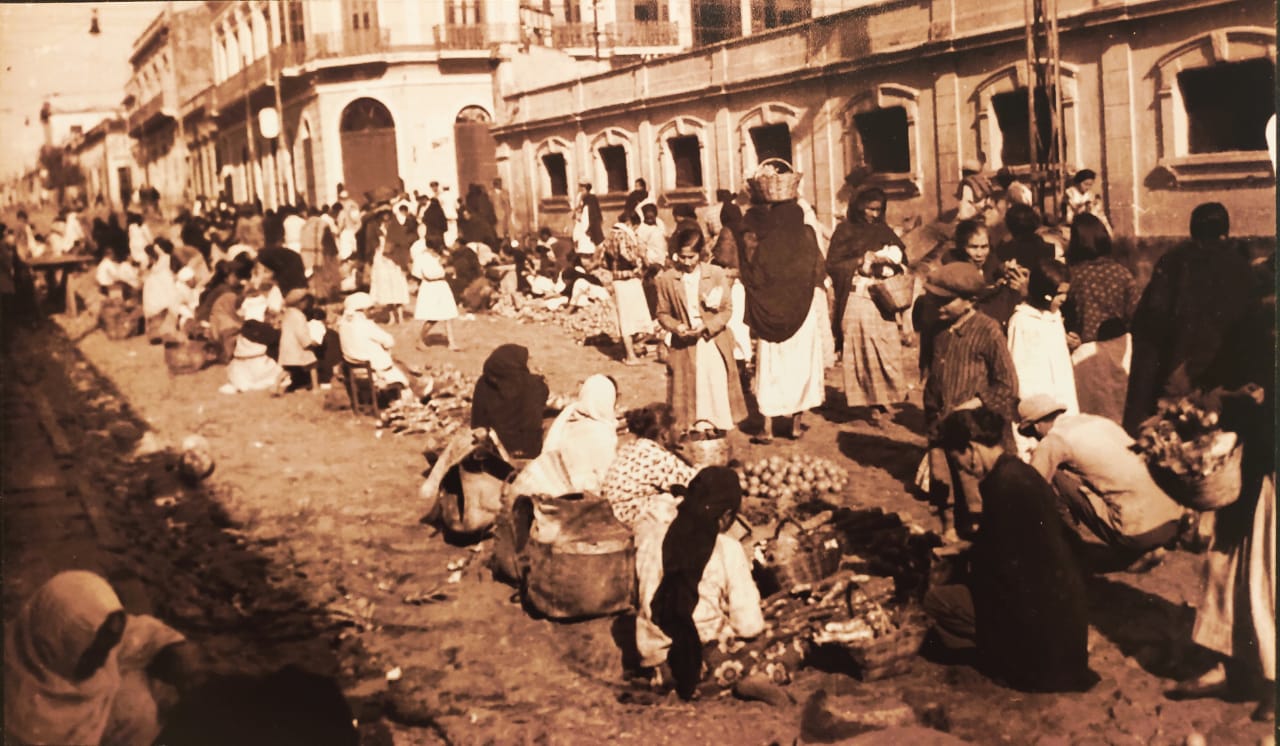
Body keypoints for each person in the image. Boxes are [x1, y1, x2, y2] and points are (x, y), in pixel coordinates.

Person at [923, 407, 1098, 693]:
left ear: (972, 450)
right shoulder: (1021, 473)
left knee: (938, 601)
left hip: (1038, 637)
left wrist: (964, 563)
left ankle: (1007, 656)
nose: (963, 470)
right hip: (1065, 616)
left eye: (959, 462)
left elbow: (1001, 570)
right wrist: (969, 548)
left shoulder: (1001, 485)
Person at [4, 571, 200, 746]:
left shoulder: (88, 637)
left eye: (109, 647)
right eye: (93, 653)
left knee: (139, 705)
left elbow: (133, 633)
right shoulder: (24, 712)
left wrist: (176, 650)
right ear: (54, 644)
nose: (102, 662)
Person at [634, 466, 766, 701]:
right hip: (700, 663)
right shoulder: (727, 548)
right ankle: (747, 681)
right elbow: (749, 626)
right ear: (726, 516)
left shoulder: (651, 538)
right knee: (787, 639)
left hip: (656, 662)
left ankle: (665, 680)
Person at [1123, 202, 1254, 434]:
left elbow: (1151, 318)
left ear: (1193, 229)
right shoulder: (1240, 265)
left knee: (1176, 433)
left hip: (1180, 365)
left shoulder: (1173, 261)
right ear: (1225, 230)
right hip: (1227, 367)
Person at [1018, 393, 1186, 562]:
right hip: (1173, 517)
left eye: (1031, 433)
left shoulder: (1053, 441)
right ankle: (1153, 546)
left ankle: (1069, 548)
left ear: (1037, 426)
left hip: (1135, 533)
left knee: (1054, 477)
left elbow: (1029, 491)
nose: (1035, 438)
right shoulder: (1099, 421)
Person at [920, 262, 1019, 538]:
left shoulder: (988, 331)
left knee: (976, 496)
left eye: (946, 301)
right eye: (934, 299)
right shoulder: (937, 328)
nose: (938, 306)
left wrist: (972, 405)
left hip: (973, 433)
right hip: (941, 426)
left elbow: (1007, 385)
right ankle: (948, 534)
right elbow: (931, 371)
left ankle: (979, 538)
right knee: (943, 488)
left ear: (969, 301)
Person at [739, 201, 827, 443]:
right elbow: (819, 271)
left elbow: (754, 278)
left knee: (771, 369)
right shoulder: (807, 238)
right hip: (803, 314)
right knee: (801, 367)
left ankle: (767, 428)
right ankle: (795, 426)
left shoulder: (767, 242)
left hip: (771, 316)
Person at [826, 187, 910, 421]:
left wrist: (890, 263)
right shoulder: (844, 231)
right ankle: (872, 402)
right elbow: (832, 264)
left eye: (878, 210)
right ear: (858, 207)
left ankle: (885, 397)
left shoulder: (884, 231)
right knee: (863, 351)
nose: (874, 214)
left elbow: (903, 259)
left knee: (886, 348)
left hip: (883, 298)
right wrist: (860, 260)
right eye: (870, 209)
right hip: (857, 299)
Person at [654, 227, 747, 432]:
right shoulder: (667, 279)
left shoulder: (715, 274)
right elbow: (662, 313)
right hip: (685, 341)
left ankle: (717, 424)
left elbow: (726, 309)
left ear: (701, 253)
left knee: (713, 382)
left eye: (692, 257)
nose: (687, 262)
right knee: (689, 384)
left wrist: (708, 326)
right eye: (683, 257)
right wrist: (676, 326)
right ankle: (694, 426)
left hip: (711, 339)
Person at [1007, 258, 1079, 458]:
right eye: (1059, 293)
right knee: (1037, 455)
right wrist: (1033, 410)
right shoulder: (1022, 321)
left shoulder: (1055, 318)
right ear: (1044, 292)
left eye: (1066, 293)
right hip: (1038, 405)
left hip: (1061, 396)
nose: (1064, 298)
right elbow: (1017, 367)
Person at [515, 374, 619, 496]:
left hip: (544, 484)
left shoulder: (567, 417)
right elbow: (608, 478)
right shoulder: (601, 433)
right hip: (571, 494)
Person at [600, 403, 697, 529]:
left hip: (613, 512)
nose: (683, 430)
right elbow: (697, 482)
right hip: (631, 517)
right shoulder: (657, 457)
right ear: (664, 434)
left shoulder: (631, 447)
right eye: (678, 425)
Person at [1062, 212, 1135, 347]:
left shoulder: (1073, 275)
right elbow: (1134, 314)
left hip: (1082, 348)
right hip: (1117, 348)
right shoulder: (1122, 274)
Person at [470, 344, 550, 460]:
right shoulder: (534, 385)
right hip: (529, 450)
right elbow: (537, 414)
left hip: (493, 449)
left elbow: (477, 422)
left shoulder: (484, 382)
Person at [336, 291, 413, 396]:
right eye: (370, 309)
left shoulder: (342, 324)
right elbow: (389, 341)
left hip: (353, 368)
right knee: (404, 374)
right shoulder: (365, 325)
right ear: (360, 310)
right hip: (375, 371)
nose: (372, 312)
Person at [602, 213, 654, 365]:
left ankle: (627, 351)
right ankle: (631, 355)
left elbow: (604, 261)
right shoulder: (623, 234)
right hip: (629, 280)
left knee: (625, 318)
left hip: (618, 280)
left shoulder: (609, 234)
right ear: (631, 223)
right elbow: (627, 255)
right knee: (632, 319)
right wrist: (640, 259)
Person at [410, 226, 461, 350]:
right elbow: (424, 274)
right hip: (430, 287)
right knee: (433, 317)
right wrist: (443, 270)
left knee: (448, 314)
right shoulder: (423, 258)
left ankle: (451, 342)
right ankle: (420, 339)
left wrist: (445, 266)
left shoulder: (439, 256)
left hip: (442, 285)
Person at [368, 209, 410, 324]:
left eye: (387, 214)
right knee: (386, 288)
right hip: (381, 260)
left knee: (397, 286)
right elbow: (372, 242)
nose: (385, 216)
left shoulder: (395, 227)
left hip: (394, 260)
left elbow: (402, 243)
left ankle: (400, 316)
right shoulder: (376, 228)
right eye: (382, 214)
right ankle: (391, 316)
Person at [573, 181, 604, 254]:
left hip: (589, 226)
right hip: (588, 225)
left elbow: (589, 215)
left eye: (582, 189)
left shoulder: (590, 198)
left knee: (590, 245)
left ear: (586, 189)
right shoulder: (584, 198)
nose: (581, 192)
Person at [491, 178, 511, 243]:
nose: (499, 184)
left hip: (503, 214)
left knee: (504, 229)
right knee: (497, 230)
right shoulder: (491, 193)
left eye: (500, 183)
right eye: (497, 183)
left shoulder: (505, 193)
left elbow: (507, 204)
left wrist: (508, 213)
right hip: (495, 215)